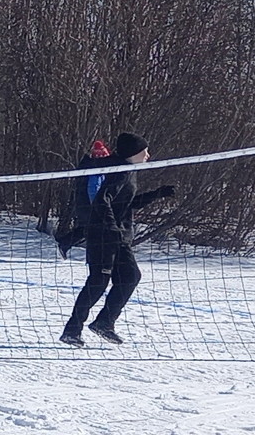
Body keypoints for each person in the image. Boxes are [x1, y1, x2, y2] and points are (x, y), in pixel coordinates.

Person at [61, 133, 173, 346]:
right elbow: (102, 201)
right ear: (133, 153)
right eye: (144, 151)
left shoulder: (127, 171)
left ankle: (104, 322)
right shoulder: (119, 171)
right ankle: (72, 330)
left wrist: (156, 194)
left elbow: (126, 203)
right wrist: (110, 228)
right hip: (103, 236)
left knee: (130, 277)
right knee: (97, 283)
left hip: (117, 237)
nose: (148, 155)